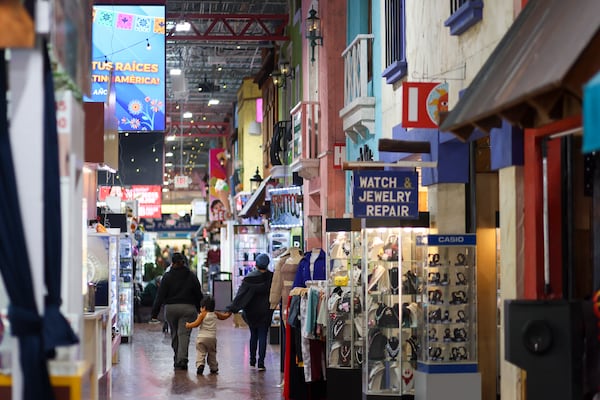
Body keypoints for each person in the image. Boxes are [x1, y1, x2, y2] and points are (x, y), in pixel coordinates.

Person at [151, 252, 204, 371]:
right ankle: (182, 359)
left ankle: (177, 357)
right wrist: (201, 309)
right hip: (188, 308)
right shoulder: (191, 275)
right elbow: (198, 294)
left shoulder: (167, 276)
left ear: (172, 263)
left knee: (174, 334)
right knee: (184, 334)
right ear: (184, 262)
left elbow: (160, 296)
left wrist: (154, 313)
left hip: (171, 309)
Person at [226, 253, 273, 371]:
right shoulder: (272, 278)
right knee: (263, 335)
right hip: (266, 311)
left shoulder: (249, 278)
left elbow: (240, 295)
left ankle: (252, 360)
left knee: (254, 335)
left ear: (256, 264)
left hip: (251, 312)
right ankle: (261, 363)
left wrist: (231, 308)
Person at [185, 296, 232, 375]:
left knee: (200, 352)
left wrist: (188, 325)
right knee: (212, 353)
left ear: (204, 307)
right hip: (212, 338)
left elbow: (196, 324)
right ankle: (214, 368)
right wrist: (230, 313)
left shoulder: (202, 314)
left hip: (201, 338)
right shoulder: (215, 314)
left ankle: (200, 365)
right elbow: (224, 317)